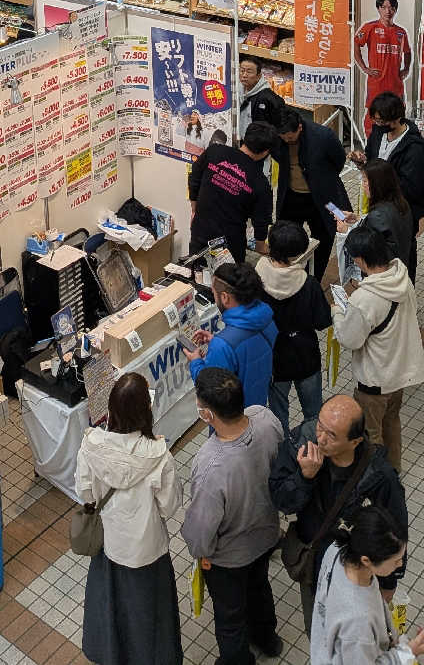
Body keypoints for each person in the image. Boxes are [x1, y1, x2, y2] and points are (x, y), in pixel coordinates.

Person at [269, 393, 408, 635]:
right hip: (314, 561)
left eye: (331, 435)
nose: (320, 438)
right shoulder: (303, 441)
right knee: (318, 629)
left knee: (353, 632)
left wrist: (389, 582)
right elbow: (281, 500)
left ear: (354, 441)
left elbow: (396, 531)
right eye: (320, 425)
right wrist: (304, 478)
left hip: (356, 570)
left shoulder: (378, 477)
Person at [75, 371, 183, 665]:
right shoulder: (159, 456)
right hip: (149, 551)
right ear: (145, 411)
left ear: (111, 410)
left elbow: (85, 495)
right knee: (152, 623)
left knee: (114, 616)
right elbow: (169, 506)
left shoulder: (90, 447)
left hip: (110, 548)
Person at [182, 368, 283, 665]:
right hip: (265, 535)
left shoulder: (210, 465)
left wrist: (201, 554)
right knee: (260, 588)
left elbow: (201, 526)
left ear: (208, 414)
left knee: (230, 617)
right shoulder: (264, 419)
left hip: (228, 557)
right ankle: (268, 639)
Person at [332, 225, 424, 472]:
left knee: (370, 436)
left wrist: (338, 311)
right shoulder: (401, 277)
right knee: (392, 425)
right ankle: (393, 472)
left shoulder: (366, 299)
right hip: (399, 374)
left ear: (361, 260)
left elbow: (350, 339)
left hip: (374, 381)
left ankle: (376, 482)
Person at [311, 505, 424, 665]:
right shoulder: (358, 623)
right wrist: (409, 652)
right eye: (395, 560)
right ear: (366, 560)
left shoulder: (338, 549)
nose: (400, 564)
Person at [255, 220, 332, 435]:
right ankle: (311, 452)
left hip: (274, 360)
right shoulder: (309, 284)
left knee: (278, 418)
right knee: (314, 416)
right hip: (305, 356)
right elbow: (323, 321)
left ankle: (283, 457)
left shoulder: (256, 280)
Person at [351, 93, 424, 282]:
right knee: (378, 247)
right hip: (378, 203)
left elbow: (413, 188)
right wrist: (363, 163)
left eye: (380, 120)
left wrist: (381, 179)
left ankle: (404, 288)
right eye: (375, 120)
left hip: (401, 209)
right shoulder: (379, 132)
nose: (376, 124)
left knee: (403, 250)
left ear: (394, 120)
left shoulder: (414, 149)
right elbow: (372, 158)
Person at [184, 263, 277, 408]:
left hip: (232, 419)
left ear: (225, 297)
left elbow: (210, 391)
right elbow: (248, 353)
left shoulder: (223, 346)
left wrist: (196, 361)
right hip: (259, 404)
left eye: (214, 293)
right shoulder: (266, 319)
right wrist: (219, 340)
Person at [275, 109, 352, 281]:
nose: (287, 140)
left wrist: (321, 177)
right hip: (292, 195)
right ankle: (288, 276)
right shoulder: (278, 137)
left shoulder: (323, 136)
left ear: (300, 128)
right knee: (285, 237)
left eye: (290, 136)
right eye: (283, 136)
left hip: (324, 199)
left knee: (324, 237)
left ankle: (313, 279)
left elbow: (339, 161)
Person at [187, 120, 275, 260]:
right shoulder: (260, 183)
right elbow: (261, 221)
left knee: (196, 273)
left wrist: (194, 206)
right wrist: (260, 246)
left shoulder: (215, 151)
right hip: (230, 245)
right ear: (265, 152)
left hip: (200, 232)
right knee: (227, 281)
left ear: (245, 138)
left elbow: (194, 177)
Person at [354, 0, 412, 136]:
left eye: (391, 8)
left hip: (395, 83)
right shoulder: (370, 27)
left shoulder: (401, 32)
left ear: (395, 10)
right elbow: (356, 43)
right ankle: (372, 145)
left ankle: (394, 143)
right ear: (379, 9)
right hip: (376, 83)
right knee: (373, 115)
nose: (388, 11)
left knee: (397, 113)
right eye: (384, 7)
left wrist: (406, 68)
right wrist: (364, 68)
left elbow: (407, 52)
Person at [355, 161, 413, 267]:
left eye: (364, 181)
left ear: (376, 184)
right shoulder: (401, 203)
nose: (363, 185)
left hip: (383, 275)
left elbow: (370, 252)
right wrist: (359, 220)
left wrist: (346, 232)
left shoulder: (377, 215)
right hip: (401, 268)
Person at [239, 56, 285, 137]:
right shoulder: (236, 89)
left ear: (258, 76)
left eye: (249, 72)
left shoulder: (268, 97)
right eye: (242, 71)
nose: (244, 75)